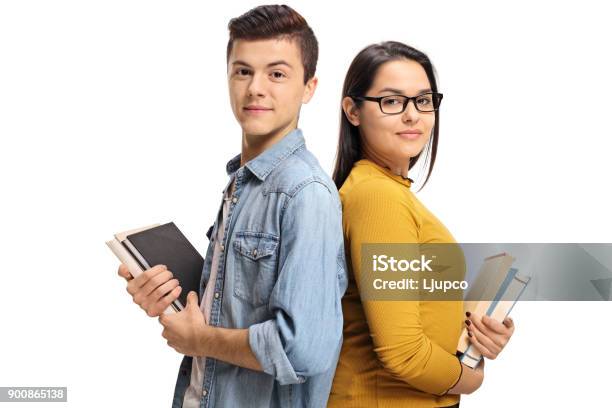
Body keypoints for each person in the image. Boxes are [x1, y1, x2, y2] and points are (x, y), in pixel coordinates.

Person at [117, 5, 347, 408]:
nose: (256, 88)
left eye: (277, 74)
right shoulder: (243, 183)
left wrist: (199, 339)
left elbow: (304, 348)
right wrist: (173, 302)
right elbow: (231, 306)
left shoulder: (305, 193)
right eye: (243, 71)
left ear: (309, 87)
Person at [328, 41, 515, 408]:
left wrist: (477, 332)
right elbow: (402, 352)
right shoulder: (378, 197)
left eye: (423, 100)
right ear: (353, 110)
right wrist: (470, 380)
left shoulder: (387, 192)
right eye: (392, 101)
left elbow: (416, 315)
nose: (412, 115)